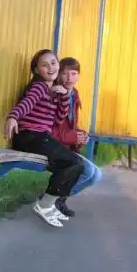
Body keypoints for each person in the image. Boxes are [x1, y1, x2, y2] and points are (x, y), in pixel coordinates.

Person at [4, 49, 84, 228]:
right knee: (74, 163)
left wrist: (63, 96)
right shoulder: (39, 87)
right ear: (37, 70)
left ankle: (50, 203)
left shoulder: (53, 90)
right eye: (44, 65)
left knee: (75, 163)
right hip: (29, 136)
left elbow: (59, 118)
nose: (50, 68)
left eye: (53, 63)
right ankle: (45, 205)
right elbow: (27, 103)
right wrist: (13, 117)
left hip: (40, 137)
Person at [52, 57, 102, 218]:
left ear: (78, 75)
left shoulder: (74, 94)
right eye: (64, 73)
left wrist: (82, 135)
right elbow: (49, 130)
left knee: (96, 175)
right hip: (51, 145)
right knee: (88, 171)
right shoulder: (55, 93)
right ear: (58, 74)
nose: (69, 78)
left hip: (66, 145)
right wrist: (74, 137)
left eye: (73, 73)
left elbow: (71, 125)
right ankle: (50, 199)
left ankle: (56, 199)